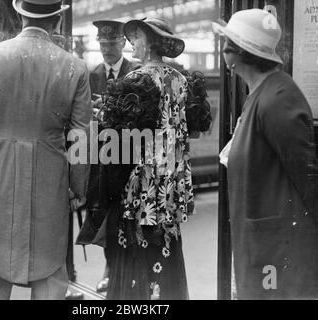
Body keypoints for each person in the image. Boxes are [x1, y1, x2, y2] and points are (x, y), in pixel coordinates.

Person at [0, 0, 91, 300]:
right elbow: (80, 138)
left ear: (20, 14)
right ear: (57, 20)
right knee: (51, 277)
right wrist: (78, 188)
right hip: (50, 185)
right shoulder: (75, 68)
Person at [213, 9, 318, 299]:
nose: (222, 49)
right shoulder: (263, 92)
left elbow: (307, 176)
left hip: (277, 247)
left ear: (237, 53)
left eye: (226, 43)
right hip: (264, 241)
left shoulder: (277, 99)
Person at [104, 17, 211, 300]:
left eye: (136, 38)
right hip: (171, 184)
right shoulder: (181, 80)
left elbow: (121, 141)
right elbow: (196, 132)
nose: (131, 44)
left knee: (137, 248)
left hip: (142, 185)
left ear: (150, 41)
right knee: (167, 245)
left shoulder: (135, 79)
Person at [80, 20, 139, 294]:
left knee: (124, 214)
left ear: (123, 43)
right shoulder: (92, 74)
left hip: (126, 155)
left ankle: (122, 270)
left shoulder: (135, 73)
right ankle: (110, 268)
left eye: (111, 43)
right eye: (102, 43)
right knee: (102, 211)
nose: (106, 48)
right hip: (101, 154)